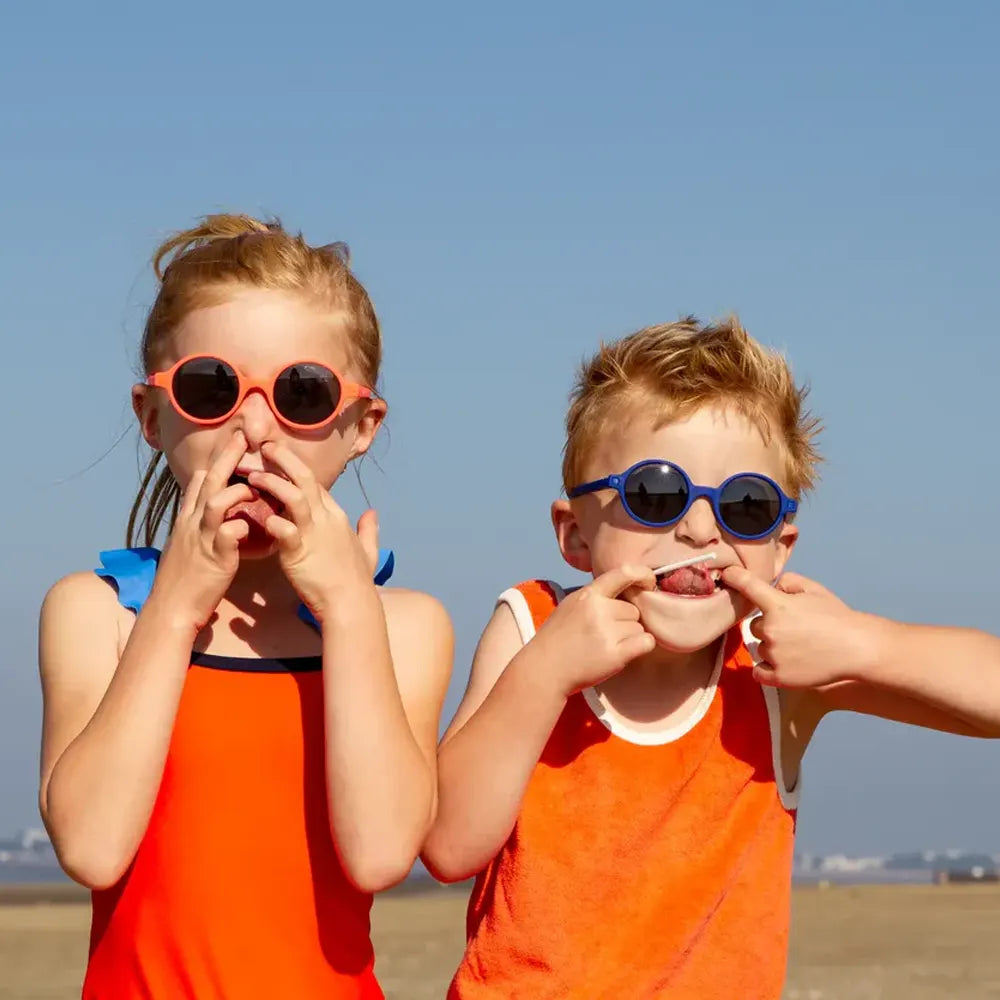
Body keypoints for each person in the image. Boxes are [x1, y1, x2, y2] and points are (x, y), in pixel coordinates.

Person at [423, 316, 1000, 999]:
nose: (699, 528)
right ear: (574, 534)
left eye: (744, 506)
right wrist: (544, 676)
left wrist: (862, 644)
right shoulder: (533, 627)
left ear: (781, 546)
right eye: (656, 494)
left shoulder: (773, 670)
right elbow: (449, 846)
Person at [38, 214, 453, 1000]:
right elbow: (92, 847)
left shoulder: (402, 628)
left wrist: (346, 609)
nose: (255, 428)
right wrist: (175, 607)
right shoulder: (100, 613)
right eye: (211, 388)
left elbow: (380, 853)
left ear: (360, 426)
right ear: (152, 417)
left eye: (302, 393)